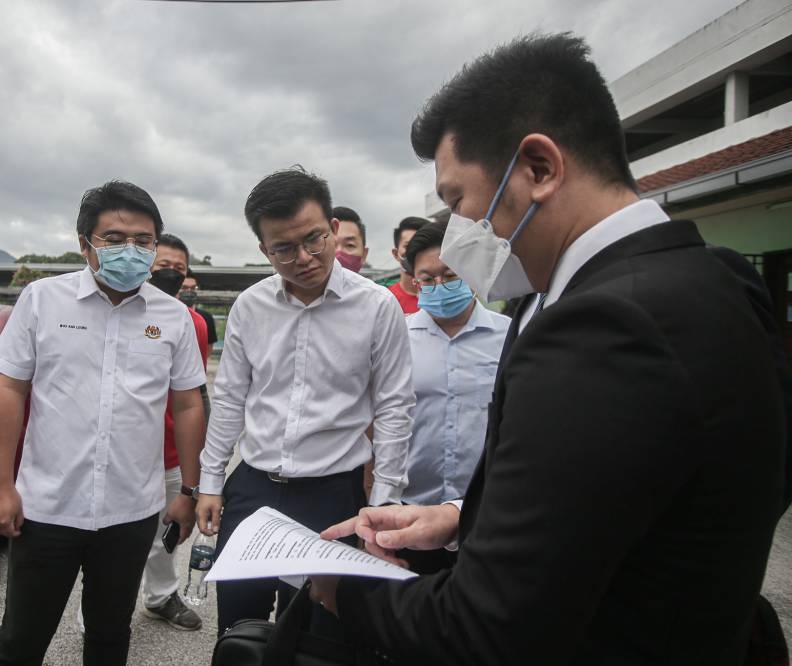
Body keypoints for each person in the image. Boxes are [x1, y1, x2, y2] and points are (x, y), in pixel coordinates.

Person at [311, 33, 787, 664]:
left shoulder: (602, 329)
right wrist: (464, 517)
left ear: (538, 168)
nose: (455, 238)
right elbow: (643, 499)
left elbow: (488, 629)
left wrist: (342, 589)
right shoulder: (721, 279)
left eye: (458, 202)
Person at [0, 180, 207, 665]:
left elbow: (188, 404)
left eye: (144, 241)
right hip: (47, 509)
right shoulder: (42, 300)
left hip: (132, 511)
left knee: (109, 638)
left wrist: (188, 492)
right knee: (21, 640)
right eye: (114, 239)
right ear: (85, 243)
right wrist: (0, 487)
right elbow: (9, 389)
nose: (131, 250)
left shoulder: (174, 317)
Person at [195, 167, 415, 637]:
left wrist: (383, 505)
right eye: (284, 248)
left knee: (320, 631)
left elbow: (394, 410)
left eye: (314, 239)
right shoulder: (250, 308)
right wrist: (211, 482)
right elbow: (230, 398)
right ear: (263, 249)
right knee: (239, 627)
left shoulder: (377, 307)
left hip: (334, 494)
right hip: (254, 488)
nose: (304, 257)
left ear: (334, 228)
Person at [74, 232, 209, 634]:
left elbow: (192, 397)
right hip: (117, 452)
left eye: (179, 270)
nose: (169, 273)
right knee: (104, 534)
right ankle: (95, 603)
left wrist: (194, 475)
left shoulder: (192, 322)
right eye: (162, 265)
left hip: (169, 452)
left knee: (165, 534)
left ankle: (161, 596)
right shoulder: (100, 313)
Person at [397, 222, 509, 574]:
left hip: (485, 512)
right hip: (410, 511)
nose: (439, 286)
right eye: (427, 279)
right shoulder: (396, 337)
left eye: (450, 275)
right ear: (416, 282)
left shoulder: (508, 336)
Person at [387, 216, 430, 314]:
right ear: (395, 253)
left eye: (424, 245)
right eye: (408, 246)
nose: (415, 251)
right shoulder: (386, 299)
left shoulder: (445, 296)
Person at [179, 270, 218, 349]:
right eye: (184, 287)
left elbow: (208, 346)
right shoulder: (168, 315)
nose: (189, 291)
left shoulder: (206, 317)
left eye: (193, 288)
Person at [331, 205, 368, 273]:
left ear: (364, 255)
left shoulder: (370, 284)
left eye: (349, 245)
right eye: (331, 245)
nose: (339, 254)